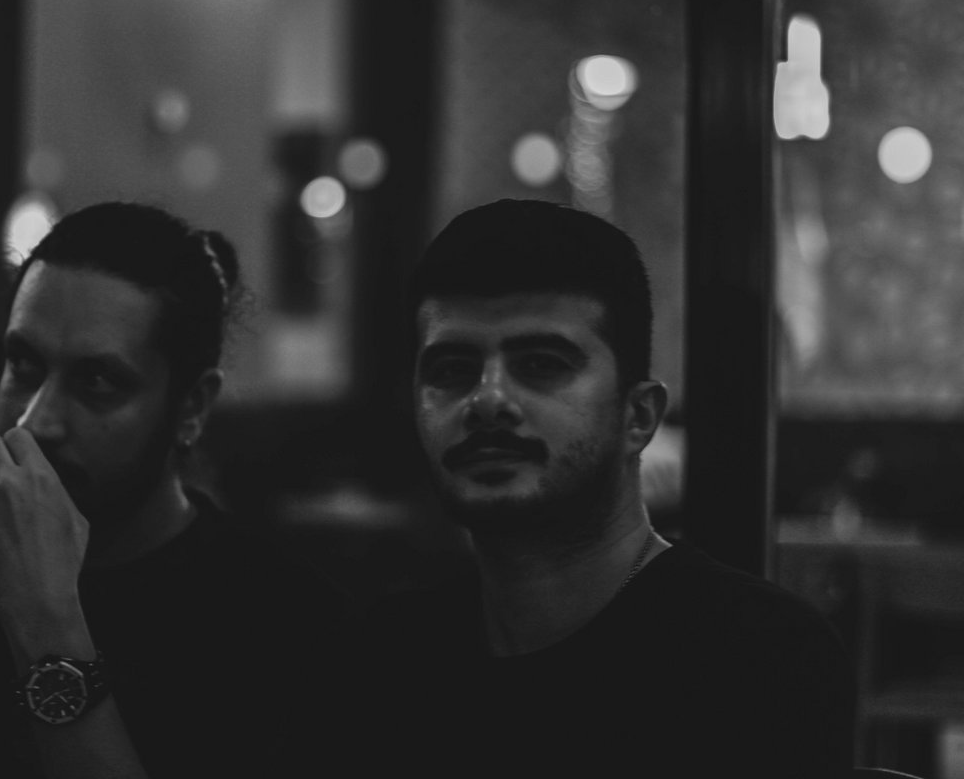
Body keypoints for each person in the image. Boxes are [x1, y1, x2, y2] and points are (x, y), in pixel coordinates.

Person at [0, 202, 351, 778]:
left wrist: (41, 615)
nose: (36, 422)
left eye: (99, 382)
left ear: (191, 407)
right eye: (23, 364)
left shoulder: (284, 626)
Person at [354, 199, 856, 777]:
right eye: (451, 371)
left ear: (638, 417)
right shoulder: (388, 655)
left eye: (541, 364)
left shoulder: (760, 659)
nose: (487, 399)